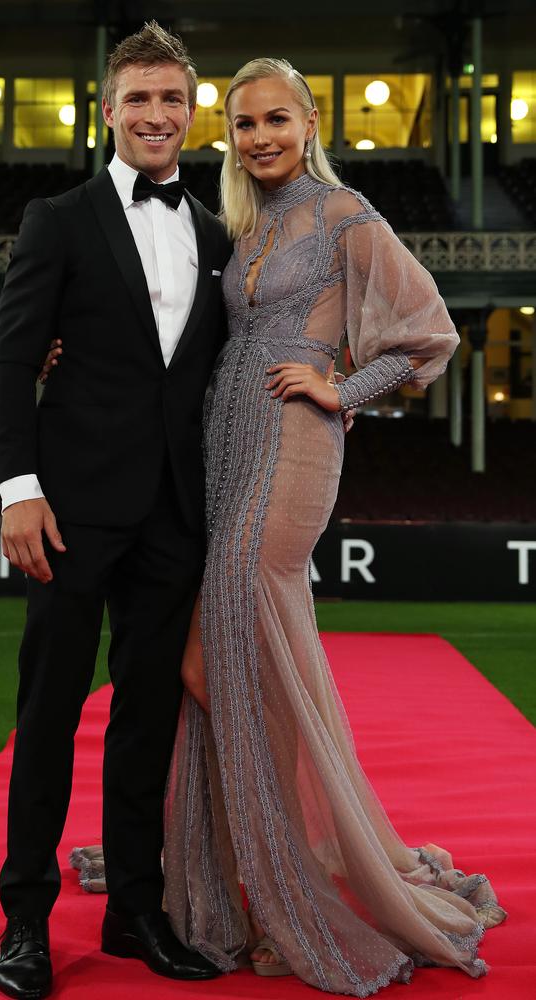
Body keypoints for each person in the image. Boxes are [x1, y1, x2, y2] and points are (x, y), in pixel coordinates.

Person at [159, 58, 507, 994]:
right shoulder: (248, 221)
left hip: (293, 442)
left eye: (277, 119)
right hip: (226, 443)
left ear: (311, 123)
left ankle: (289, 881)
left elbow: (430, 332)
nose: (260, 136)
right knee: (224, 658)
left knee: (221, 649)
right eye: (242, 124)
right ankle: (252, 867)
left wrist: (341, 386)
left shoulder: (348, 217)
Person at [0, 21, 233, 999]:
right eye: (138, 99)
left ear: (190, 110)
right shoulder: (58, 217)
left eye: (171, 98)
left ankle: (134, 911)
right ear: (108, 110)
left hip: (174, 518)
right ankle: (24, 923)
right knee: (46, 719)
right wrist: (18, 489)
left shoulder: (217, 236)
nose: (156, 115)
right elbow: (10, 361)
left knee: (146, 724)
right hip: (68, 514)